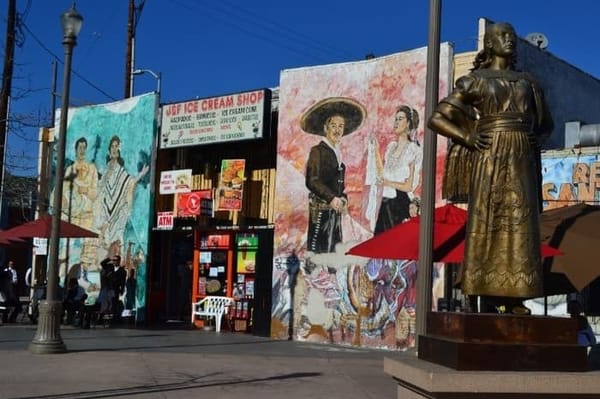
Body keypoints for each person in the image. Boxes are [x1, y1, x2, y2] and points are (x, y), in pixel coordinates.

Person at [428, 22, 553, 313]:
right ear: (488, 44)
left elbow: (546, 124)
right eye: (501, 36)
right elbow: (438, 117)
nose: (509, 40)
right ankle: (481, 291)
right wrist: (468, 136)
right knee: (488, 219)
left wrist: (535, 137)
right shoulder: (476, 80)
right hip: (490, 154)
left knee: (520, 223)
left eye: (511, 36)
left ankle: (517, 296)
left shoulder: (528, 82)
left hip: (522, 156)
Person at [301, 97, 367, 253]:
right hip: (320, 212)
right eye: (333, 125)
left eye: (341, 126)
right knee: (319, 250)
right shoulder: (317, 151)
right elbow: (312, 180)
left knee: (334, 248)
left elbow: (338, 186)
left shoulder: (338, 154)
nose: (337, 130)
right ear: (326, 127)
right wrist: (331, 198)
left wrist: (342, 198)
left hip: (334, 212)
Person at [94, 135, 149, 264]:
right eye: (112, 146)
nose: (114, 148)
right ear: (109, 149)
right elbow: (100, 184)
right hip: (105, 213)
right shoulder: (106, 168)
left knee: (118, 241)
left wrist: (141, 174)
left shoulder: (121, 170)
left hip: (118, 213)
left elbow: (129, 183)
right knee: (104, 243)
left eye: (116, 146)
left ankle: (120, 265)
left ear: (119, 149)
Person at [367, 105, 422, 233]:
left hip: (401, 204)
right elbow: (382, 175)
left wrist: (388, 183)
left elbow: (409, 186)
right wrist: (375, 150)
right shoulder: (391, 147)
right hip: (386, 204)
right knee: (380, 246)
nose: (396, 122)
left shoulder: (413, 150)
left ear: (408, 123)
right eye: (396, 119)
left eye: (400, 119)